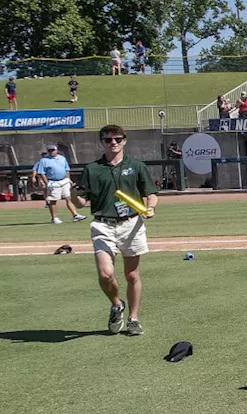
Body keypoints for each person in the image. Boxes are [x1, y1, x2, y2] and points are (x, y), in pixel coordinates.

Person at [72, 125, 158, 336]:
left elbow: (151, 192)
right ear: (101, 142)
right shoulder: (92, 169)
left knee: (131, 274)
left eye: (117, 139)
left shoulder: (136, 166)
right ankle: (117, 304)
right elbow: (82, 202)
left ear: (124, 140)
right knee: (105, 274)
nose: (114, 143)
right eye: (108, 140)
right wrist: (72, 195)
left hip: (131, 224)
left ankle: (133, 318)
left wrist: (151, 207)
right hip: (103, 224)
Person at [33, 144, 83, 223]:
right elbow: (41, 173)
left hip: (64, 180)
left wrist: (68, 179)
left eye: (53, 150)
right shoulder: (44, 160)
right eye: (49, 150)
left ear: (56, 150)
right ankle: (54, 218)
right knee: (53, 200)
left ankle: (75, 215)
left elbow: (67, 169)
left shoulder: (62, 158)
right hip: (53, 182)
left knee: (68, 198)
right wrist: (47, 183)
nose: (51, 152)